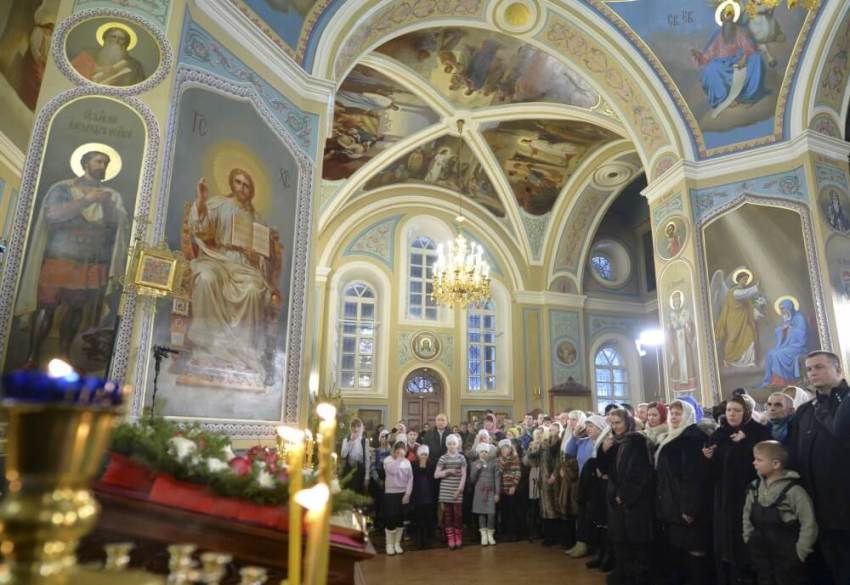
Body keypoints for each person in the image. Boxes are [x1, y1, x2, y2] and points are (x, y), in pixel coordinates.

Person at [15, 149, 130, 366]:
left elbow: (115, 226)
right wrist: (86, 200)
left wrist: (105, 204)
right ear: (86, 163)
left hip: (90, 261)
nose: (102, 166)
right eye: (99, 161)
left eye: (105, 163)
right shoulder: (63, 189)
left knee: (76, 309)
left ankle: (64, 355)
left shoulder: (111, 196)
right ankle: (32, 356)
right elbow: (52, 215)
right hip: (60, 257)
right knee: (46, 307)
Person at [187, 172, 282, 379]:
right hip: (217, 258)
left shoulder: (257, 220)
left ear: (251, 191)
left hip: (244, 266)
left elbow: (265, 262)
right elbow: (199, 231)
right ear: (231, 183)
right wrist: (201, 203)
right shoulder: (218, 204)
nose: (242, 188)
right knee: (205, 278)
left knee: (253, 289)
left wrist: (255, 256)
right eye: (238, 183)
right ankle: (208, 344)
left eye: (247, 185)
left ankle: (243, 350)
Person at [789, 351, 850, 584]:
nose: (813, 373)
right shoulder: (805, 411)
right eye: (809, 369)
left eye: (819, 367)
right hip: (815, 509)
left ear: (838, 370)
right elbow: (795, 455)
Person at [704, 395, 771, 585]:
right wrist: (708, 458)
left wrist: (746, 444)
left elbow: (767, 463)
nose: (731, 414)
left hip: (749, 495)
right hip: (723, 496)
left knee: (746, 542)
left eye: (737, 410)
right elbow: (713, 472)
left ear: (747, 412)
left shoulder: (759, 432)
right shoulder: (719, 434)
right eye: (729, 410)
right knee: (725, 542)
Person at [743, 441, 818, 585]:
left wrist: (800, 552)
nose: (754, 463)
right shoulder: (754, 488)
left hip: (788, 559)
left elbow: (808, 523)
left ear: (776, 464)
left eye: (759, 459)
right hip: (761, 556)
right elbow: (746, 515)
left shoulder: (795, 491)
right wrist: (748, 538)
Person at [655, 400, 710, 585]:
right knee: (679, 547)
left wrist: (690, 509)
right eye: (671, 413)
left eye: (678, 413)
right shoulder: (670, 436)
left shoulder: (692, 438)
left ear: (688, 415)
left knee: (694, 548)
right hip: (673, 503)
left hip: (687, 506)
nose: (673, 416)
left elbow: (694, 476)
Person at [605, 408, 655, 585]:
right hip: (617, 501)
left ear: (628, 422)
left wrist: (624, 495)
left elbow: (639, 473)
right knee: (621, 542)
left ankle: (638, 578)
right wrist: (604, 451)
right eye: (612, 423)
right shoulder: (614, 442)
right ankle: (624, 575)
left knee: (637, 544)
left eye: (618, 423)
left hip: (634, 502)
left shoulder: (637, 441)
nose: (615, 426)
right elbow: (605, 470)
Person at [691, 3, 765, 111]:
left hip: (737, 60)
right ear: (722, 18)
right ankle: (723, 99)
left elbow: (748, 47)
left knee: (756, 59)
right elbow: (709, 54)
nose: (728, 18)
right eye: (726, 15)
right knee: (711, 69)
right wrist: (699, 56)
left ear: (733, 17)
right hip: (722, 64)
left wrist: (744, 58)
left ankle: (749, 96)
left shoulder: (738, 31)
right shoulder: (719, 35)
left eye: (731, 15)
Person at [566, 414, 607, 559]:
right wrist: (575, 434)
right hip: (582, 482)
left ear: (601, 427)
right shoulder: (584, 442)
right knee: (582, 514)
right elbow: (569, 450)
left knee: (592, 516)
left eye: (592, 426)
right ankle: (581, 543)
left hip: (596, 484)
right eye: (587, 426)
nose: (588, 429)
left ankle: (591, 546)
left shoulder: (603, 442)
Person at [71, 25, 146, 86]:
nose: (116, 40)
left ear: (126, 43)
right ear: (105, 38)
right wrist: (97, 69)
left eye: (121, 38)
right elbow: (73, 73)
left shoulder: (135, 65)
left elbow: (138, 86)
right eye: (113, 36)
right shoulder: (87, 53)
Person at [761, 299, 808, 388]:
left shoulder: (799, 317)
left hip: (798, 346)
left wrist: (790, 328)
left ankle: (784, 381)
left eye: (783, 308)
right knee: (771, 353)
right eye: (781, 309)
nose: (782, 311)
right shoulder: (787, 318)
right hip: (787, 346)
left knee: (778, 354)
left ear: (789, 307)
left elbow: (802, 334)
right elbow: (779, 331)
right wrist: (782, 329)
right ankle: (772, 380)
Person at [434, 434, 467, 550]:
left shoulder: (461, 458)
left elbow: (464, 475)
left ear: (457, 444)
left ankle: (458, 537)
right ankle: (450, 538)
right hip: (445, 491)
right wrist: (447, 471)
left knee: (458, 515)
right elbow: (436, 475)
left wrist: (459, 490)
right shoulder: (443, 458)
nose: (452, 446)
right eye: (449, 444)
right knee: (447, 516)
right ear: (447, 445)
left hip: (457, 490)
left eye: (454, 443)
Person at [382, 441, 412, 556]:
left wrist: (407, 494)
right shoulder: (388, 460)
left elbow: (410, 479)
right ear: (394, 450)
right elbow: (393, 471)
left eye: (402, 450)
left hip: (403, 493)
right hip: (390, 493)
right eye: (397, 450)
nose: (400, 452)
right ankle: (389, 544)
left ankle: (397, 543)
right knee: (391, 518)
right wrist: (399, 459)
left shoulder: (407, 462)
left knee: (400, 519)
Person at [471, 441, 501, 546]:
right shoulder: (474, 463)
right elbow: (472, 479)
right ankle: (483, 535)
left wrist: (497, 493)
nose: (483, 453)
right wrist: (476, 469)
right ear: (478, 452)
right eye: (481, 451)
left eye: (485, 451)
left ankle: (490, 534)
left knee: (491, 513)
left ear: (488, 453)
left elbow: (497, 479)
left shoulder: (494, 463)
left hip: (491, 491)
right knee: (481, 513)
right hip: (479, 491)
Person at [411, 445, 437, 550]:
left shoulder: (432, 465)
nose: (424, 456)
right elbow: (413, 478)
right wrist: (421, 466)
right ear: (418, 455)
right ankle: (418, 540)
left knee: (428, 520)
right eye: (422, 454)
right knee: (418, 520)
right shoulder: (413, 465)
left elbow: (434, 480)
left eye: (425, 454)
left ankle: (427, 540)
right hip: (418, 497)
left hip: (429, 497)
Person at [496, 438, 521, 542]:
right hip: (502, 489)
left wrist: (514, 486)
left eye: (507, 448)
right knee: (504, 512)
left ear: (510, 448)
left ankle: (513, 533)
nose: (505, 450)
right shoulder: (498, 460)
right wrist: (504, 460)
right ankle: (505, 533)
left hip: (511, 489)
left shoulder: (515, 458)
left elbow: (518, 472)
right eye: (503, 448)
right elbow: (499, 472)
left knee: (512, 512)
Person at [524, 427, 544, 542]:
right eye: (536, 434)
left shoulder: (544, 445)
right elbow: (527, 461)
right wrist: (531, 451)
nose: (538, 436)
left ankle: (542, 530)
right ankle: (533, 531)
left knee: (541, 503)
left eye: (540, 434)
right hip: (534, 473)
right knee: (533, 504)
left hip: (542, 472)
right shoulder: (531, 445)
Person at [340, 417, 370, 495]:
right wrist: (351, 441)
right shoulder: (346, 440)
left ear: (361, 428)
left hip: (360, 471)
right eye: (354, 426)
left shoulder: (364, 441)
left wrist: (367, 476)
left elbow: (367, 460)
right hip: (349, 470)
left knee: (358, 495)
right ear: (351, 428)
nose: (356, 429)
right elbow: (343, 454)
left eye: (358, 426)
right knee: (348, 495)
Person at [369, 429, 391, 530]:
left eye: (386, 436)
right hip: (378, 479)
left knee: (388, 503)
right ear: (379, 438)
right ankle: (378, 524)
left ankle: (387, 523)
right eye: (382, 436)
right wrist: (378, 480)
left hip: (390, 479)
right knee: (378, 502)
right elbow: (372, 467)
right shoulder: (375, 451)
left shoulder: (392, 451)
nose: (384, 439)